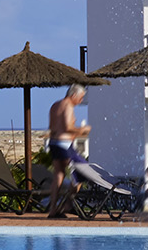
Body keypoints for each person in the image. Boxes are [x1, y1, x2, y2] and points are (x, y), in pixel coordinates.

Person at [43, 84, 113, 212]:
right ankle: (68, 205)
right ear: (74, 95)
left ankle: (53, 208)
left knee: (59, 174)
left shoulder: (55, 105)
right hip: (64, 145)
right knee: (83, 172)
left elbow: (53, 128)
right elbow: (68, 127)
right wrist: (83, 130)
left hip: (54, 143)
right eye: (80, 98)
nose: (80, 101)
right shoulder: (68, 106)